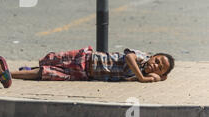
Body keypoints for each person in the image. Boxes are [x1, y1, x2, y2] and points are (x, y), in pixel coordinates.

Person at [9, 46, 175, 83]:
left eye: (160, 68)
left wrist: (157, 78)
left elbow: (161, 78)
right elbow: (129, 57)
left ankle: (8, 74)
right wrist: (142, 78)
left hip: (84, 75)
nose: (155, 65)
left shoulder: (141, 75)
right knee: (49, 61)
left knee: (46, 74)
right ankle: (24, 70)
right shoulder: (142, 57)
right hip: (85, 59)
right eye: (157, 61)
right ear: (153, 55)